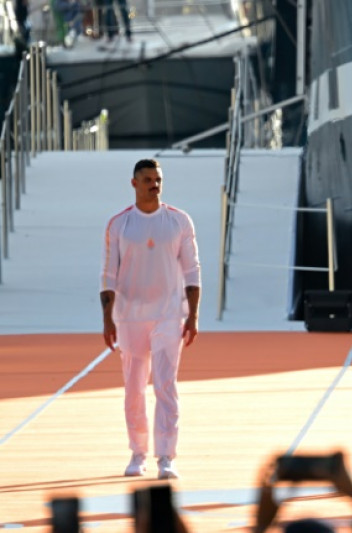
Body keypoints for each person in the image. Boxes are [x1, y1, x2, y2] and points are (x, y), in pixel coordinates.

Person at [100, 158, 200, 480]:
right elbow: (108, 274)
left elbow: (192, 269)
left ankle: (166, 457)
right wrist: (108, 319)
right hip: (129, 317)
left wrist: (193, 314)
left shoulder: (179, 221)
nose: (154, 185)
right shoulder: (119, 225)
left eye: (157, 179)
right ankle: (137, 452)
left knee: (165, 384)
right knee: (133, 388)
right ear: (134, 183)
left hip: (169, 314)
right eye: (147, 180)